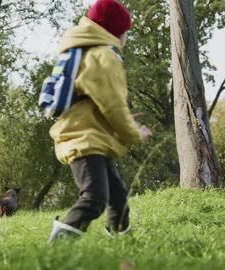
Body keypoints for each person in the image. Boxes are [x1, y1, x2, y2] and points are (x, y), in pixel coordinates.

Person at [48, 0, 153, 244]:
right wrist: (134, 133)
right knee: (95, 196)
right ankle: (59, 244)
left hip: (90, 136)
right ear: (116, 31)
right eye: (127, 32)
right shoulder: (104, 55)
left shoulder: (85, 50)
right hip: (84, 140)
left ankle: (122, 241)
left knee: (117, 195)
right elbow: (113, 106)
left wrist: (123, 122)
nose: (126, 38)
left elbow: (96, 104)